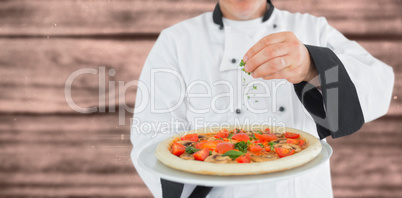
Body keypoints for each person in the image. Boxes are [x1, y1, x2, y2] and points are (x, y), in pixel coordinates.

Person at [130, 0, 394, 197]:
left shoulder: (312, 28)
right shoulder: (176, 41)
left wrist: (313, 66)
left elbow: (379, 88)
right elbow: (153, 138)